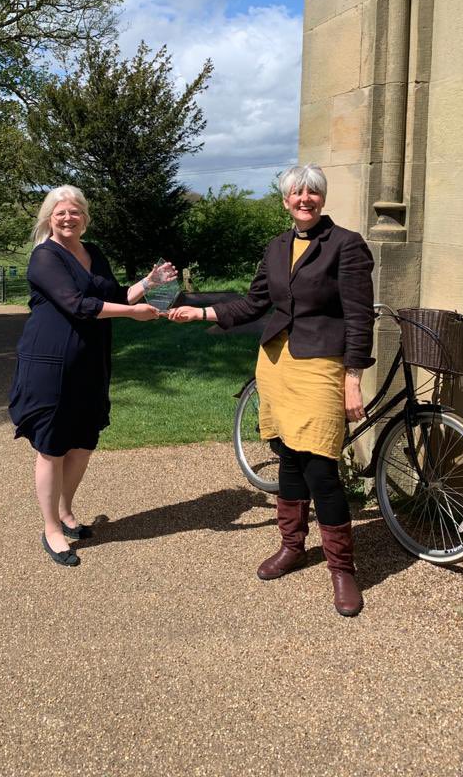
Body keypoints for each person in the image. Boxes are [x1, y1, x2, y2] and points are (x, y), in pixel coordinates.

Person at [169, 164, 374, 616]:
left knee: (321, 466)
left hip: (322, 364)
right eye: (297, 193)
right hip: (277, 363)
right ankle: (293, 547)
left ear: (322, 199)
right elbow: (254, 303)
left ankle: (342, 568)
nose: (305, 199)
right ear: (285, 201)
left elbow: (360, 315)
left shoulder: (346, 245)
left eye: (313, 193)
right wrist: (200, 314)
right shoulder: (277, 246)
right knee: (287, 455)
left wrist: (353, 378)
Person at [9, 185, 177, 568]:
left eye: (75, 212)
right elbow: (78, 305)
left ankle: (66, 512)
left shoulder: (93, 252)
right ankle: (51, 528)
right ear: (48, 217)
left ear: (85, 217)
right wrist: (133, 314)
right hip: (51, 364)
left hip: (91, 362)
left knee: (83, 442)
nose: (68, 218)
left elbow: (115, 293)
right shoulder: (44, 257)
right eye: (60, 212)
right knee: (52, 446)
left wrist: (148, 284)